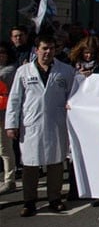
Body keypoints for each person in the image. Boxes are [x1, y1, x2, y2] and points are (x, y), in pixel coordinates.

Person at [4, 35, 77, 217]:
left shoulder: (66, 71)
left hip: (56, 122)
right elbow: (14, 100)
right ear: (36, 50)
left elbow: (74, 95)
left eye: (51, 48)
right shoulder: (23, 71)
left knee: (56, 162)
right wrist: (11, 124)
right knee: (30, 164)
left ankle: (54, 198)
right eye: (44, 48)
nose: (48, 52)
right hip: (31, 124)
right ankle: (29, 201)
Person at [0, 43, 17, 194]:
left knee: (4, 149)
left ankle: (9, 179)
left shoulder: (10, 71)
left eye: (2, 52)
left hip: (3, 114)